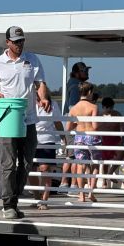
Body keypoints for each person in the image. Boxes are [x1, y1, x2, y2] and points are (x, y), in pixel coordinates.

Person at [0, 26, 52, 220]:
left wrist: (44, 97)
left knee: (26, 161)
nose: (19, 44)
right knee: (8, 163)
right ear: (7, 42)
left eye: (21, 40)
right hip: (7, 116)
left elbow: (40, 83)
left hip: (28, 117)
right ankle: (8, 204)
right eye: (15, 41)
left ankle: (14, 197)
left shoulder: (32, 60)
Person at [67, 82, 102, 202]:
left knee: (80, 166)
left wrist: (78, 123)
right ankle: (91, 192)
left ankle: (81, 194)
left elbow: (68, 128)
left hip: (79, 138)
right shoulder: (93, 107)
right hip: (92, 137)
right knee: (95, 164)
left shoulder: (73, 108)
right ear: (89, 92)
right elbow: (95, 126)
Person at [60, 62, 90, 190]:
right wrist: (79, 123)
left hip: (69, 123)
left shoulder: (71, 83)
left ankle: (66, 183)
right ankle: (70, 184)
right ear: (77, 72)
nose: (87, 73)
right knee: (73, 155)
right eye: (84, 71)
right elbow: (73, 108)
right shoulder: (76, 85)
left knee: (71, 154)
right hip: (73, 124)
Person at [33, 98, 64, 209]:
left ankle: (44, 200)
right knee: (31, 170)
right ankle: (36, 198)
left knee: (45, 169)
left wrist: (63, 137)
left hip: (47, 140)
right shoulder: (29, 102)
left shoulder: (52, 104)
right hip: (31, 139)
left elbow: (57, 122)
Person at [96, 97, 124, 189]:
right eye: (108, 108)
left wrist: (122, 140)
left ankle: (110, 172)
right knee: (104, 160)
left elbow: (123, 128)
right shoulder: (99, 116)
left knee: (122, 153)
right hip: (103, 140)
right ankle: (104, 180)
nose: (110, 110)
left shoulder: (117, 114)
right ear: (103, 107)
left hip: (115, 140)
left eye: (111, 108)